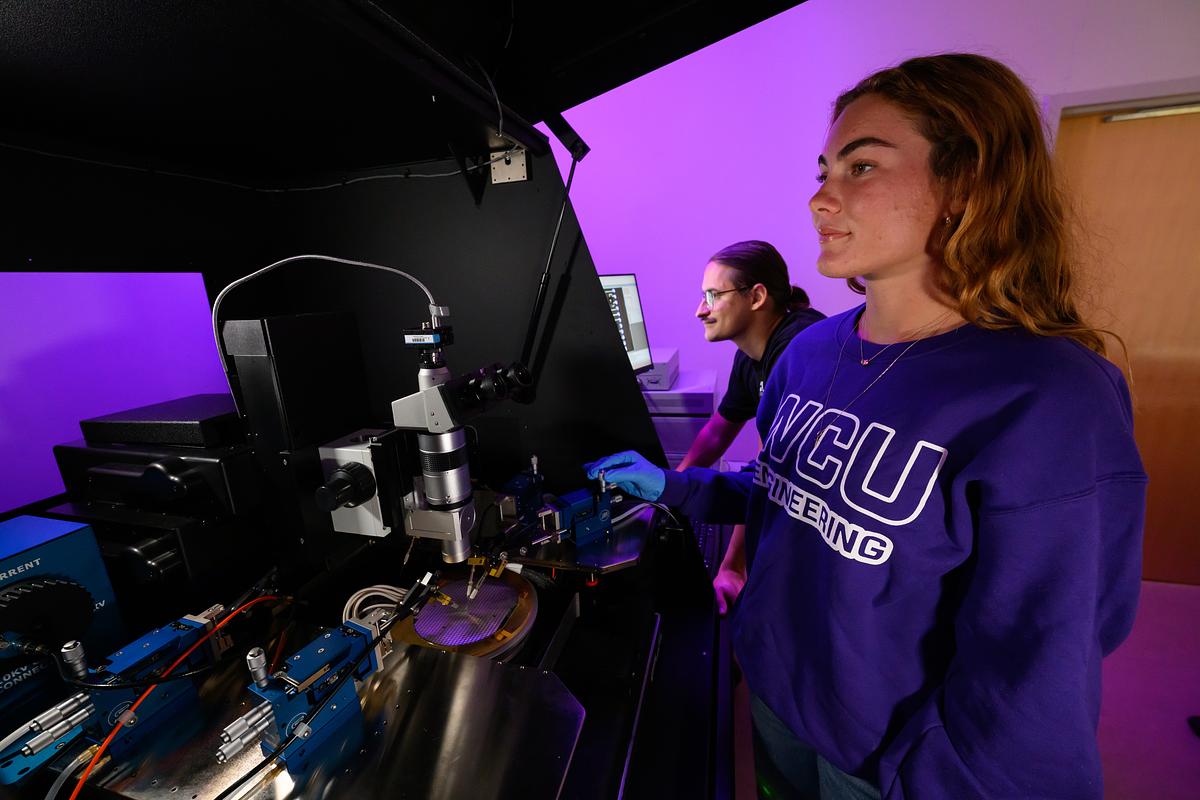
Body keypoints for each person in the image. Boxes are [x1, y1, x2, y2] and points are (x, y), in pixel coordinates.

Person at [587, 53, 1145, 799]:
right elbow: (786, 486)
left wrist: (922, 775)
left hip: (889, 759)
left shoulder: (1049, 393)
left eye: (861, 168)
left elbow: (1040, 657)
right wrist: (679, 488)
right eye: (824, 171)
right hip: (779, 701)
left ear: (965, 183)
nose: (821, 198)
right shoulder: (811, 351)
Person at [680, 240, 823, 615]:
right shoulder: (752, 354)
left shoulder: (798, 349)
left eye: (713, 295)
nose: (700, 310)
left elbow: (768, 475)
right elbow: (717, 432)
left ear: (757, 296)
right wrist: (671, 491)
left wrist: (733, 566)